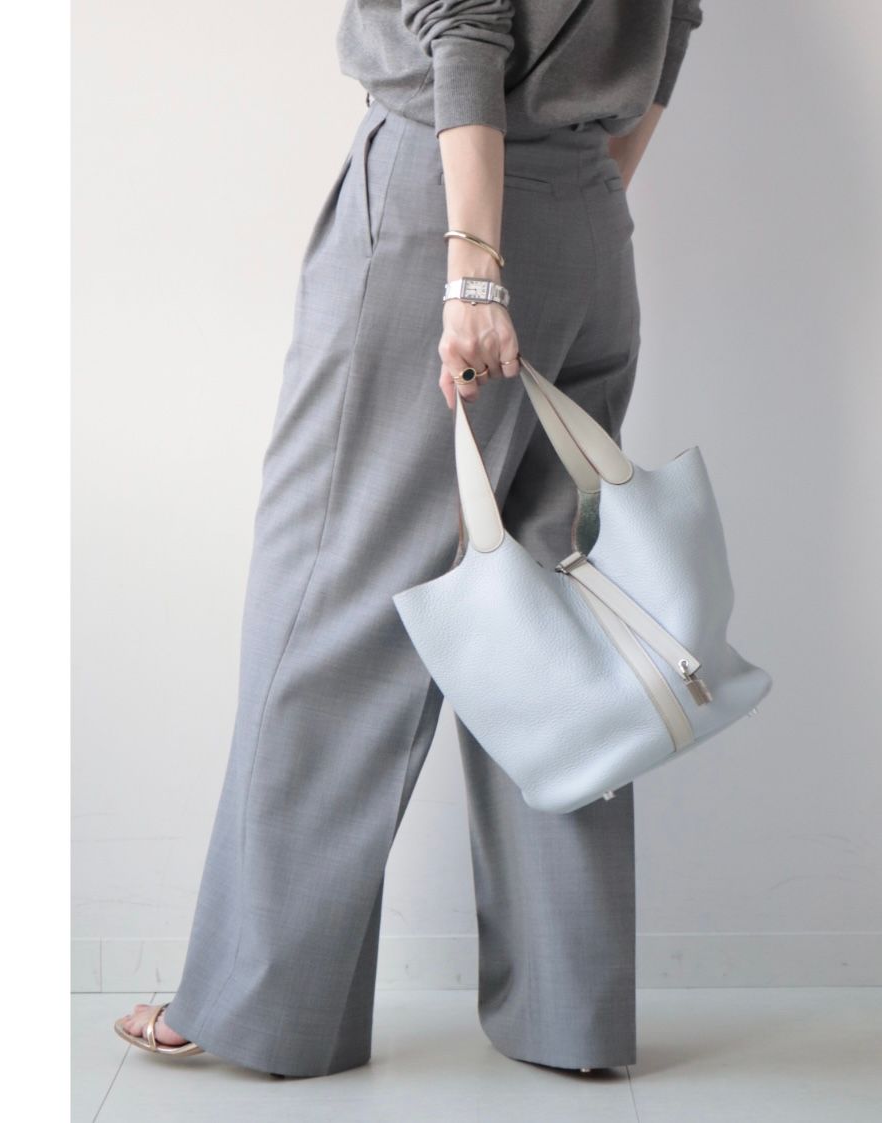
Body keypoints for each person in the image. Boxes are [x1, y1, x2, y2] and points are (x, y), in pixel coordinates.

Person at [115, 0, 704, 1079]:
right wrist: (575, 198)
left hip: (446, 209)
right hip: (587, 215)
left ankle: (257, 1003)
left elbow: (464, 21)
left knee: (330, 596)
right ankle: (568, 1012)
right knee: (553, 621)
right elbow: (673, 26)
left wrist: (476, 266)